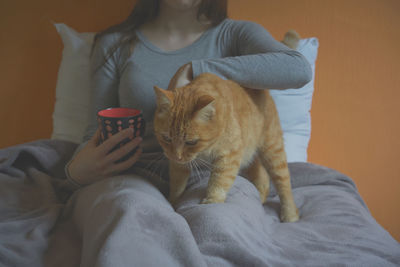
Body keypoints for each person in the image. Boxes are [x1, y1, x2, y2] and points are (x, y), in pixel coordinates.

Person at [65, 0, 312, 265]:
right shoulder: (115, 43)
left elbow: (297, 69)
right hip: (132, 173)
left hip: (212, 171)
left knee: (219, 224)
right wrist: (76, 171)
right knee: (130, 219)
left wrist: (197, 69)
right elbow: (94, 130)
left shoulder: (234, 34)